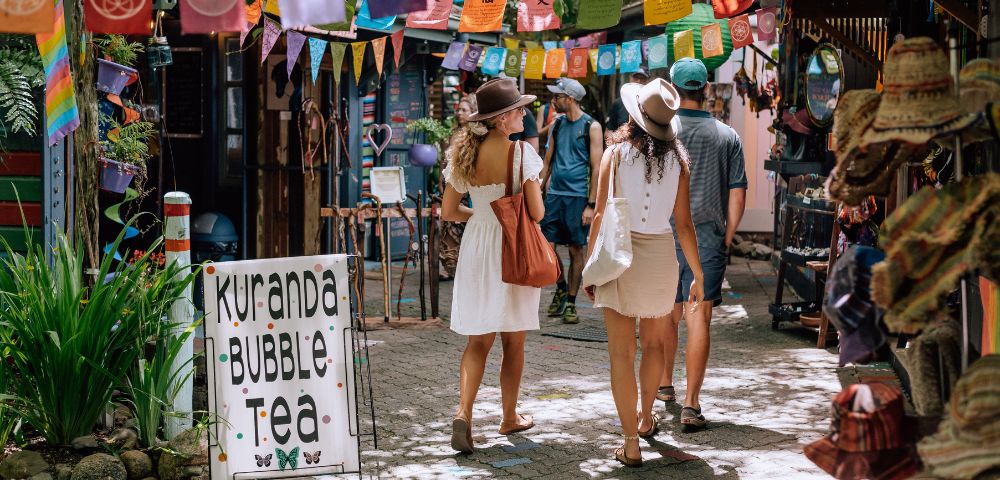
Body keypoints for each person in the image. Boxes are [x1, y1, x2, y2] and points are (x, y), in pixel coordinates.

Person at [585, 79, 704, 467]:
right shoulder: (680, 161)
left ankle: (630, 442)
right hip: (660, 256)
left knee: (622, 353)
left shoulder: (615, 154)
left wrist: (590, 267)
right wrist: (698, 275)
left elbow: (601, 214)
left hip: (620, 253)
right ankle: (646, 417)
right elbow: (684, 225)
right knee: (655, 346)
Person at [441, 78, 545, 453]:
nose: (523, 114)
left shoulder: (464, 156)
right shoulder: (522, 155)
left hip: (477, 246)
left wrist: (482, 214)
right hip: (512, 247)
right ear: (502, 120)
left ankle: (463, 414)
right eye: (518, 109)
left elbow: (450, 211)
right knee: (513, 340)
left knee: (478, 339)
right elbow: (537, 212)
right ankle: (509, 416)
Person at [659, 58, 747, 431]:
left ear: (675, 92)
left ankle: (664, 384)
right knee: (699, 317)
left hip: (663, 236)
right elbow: (738, 194)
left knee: (666, 312)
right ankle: (692, 406)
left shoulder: (661, 130)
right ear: (706, 89)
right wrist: (727, 237)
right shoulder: (728, 135)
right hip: (708, 238)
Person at [540, 78, 604, 324]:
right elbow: (547, 162)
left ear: (570, 99)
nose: (553, 100)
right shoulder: (557, 124)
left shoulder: (591, 126)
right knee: (547, 246)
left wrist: (591, 204)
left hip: (578, 197)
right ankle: (560, 285)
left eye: (557, 96)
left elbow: (596, 167)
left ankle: (570, 301)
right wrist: (538, 190)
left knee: (576, 249)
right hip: (555, 194)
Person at [439, 95, 477, 281]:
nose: (460, 113)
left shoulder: (476, 138)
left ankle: (464, 269)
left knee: (463, 232)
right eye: (459, 110)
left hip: (466, 191)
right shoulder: (453, 133)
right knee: (447, 233)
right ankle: (451, 265)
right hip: (450, 186)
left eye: (464, 110)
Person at [605, 67, 650, 134]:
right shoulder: (619, 103)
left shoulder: (652, 103)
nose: (638, 81)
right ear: (630, 78)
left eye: (642, 78)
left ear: (648, 81)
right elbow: (608, 131)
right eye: (636, 78)